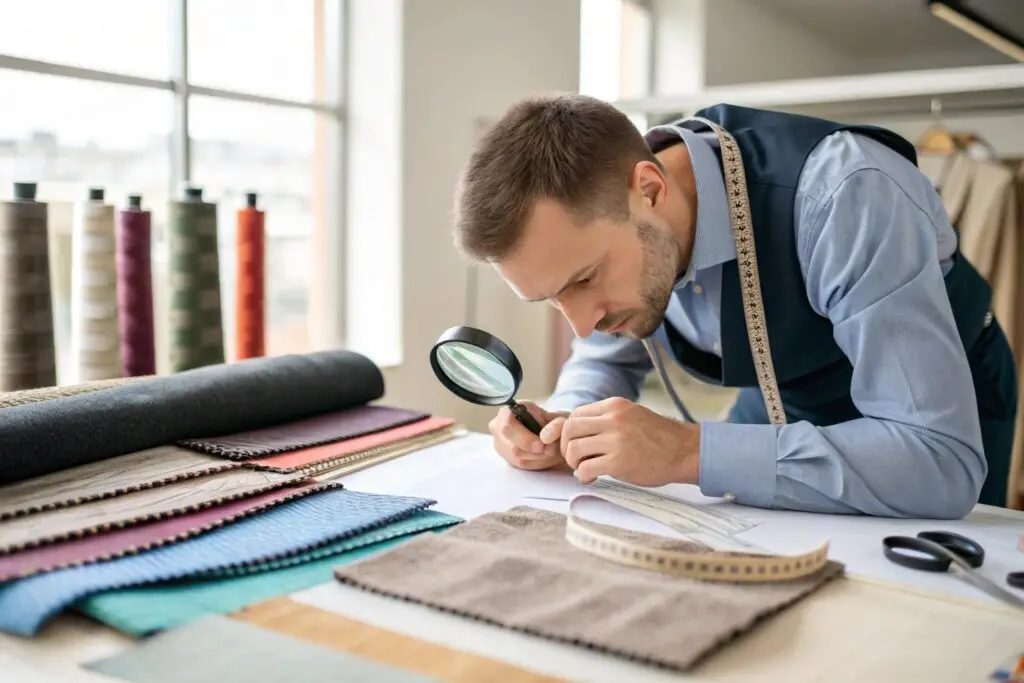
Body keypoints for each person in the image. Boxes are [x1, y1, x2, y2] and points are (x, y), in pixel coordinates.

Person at [451, 94, 1017, 519]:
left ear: (650, 190)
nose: (582, 325)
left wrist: (687, 451)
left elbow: (938, 461)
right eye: (552, 298)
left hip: (939, 411)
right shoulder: (619, 222)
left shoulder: (846, 194)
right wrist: (567, 423)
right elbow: (601, 360)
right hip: (779, 397)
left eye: (584, 278)